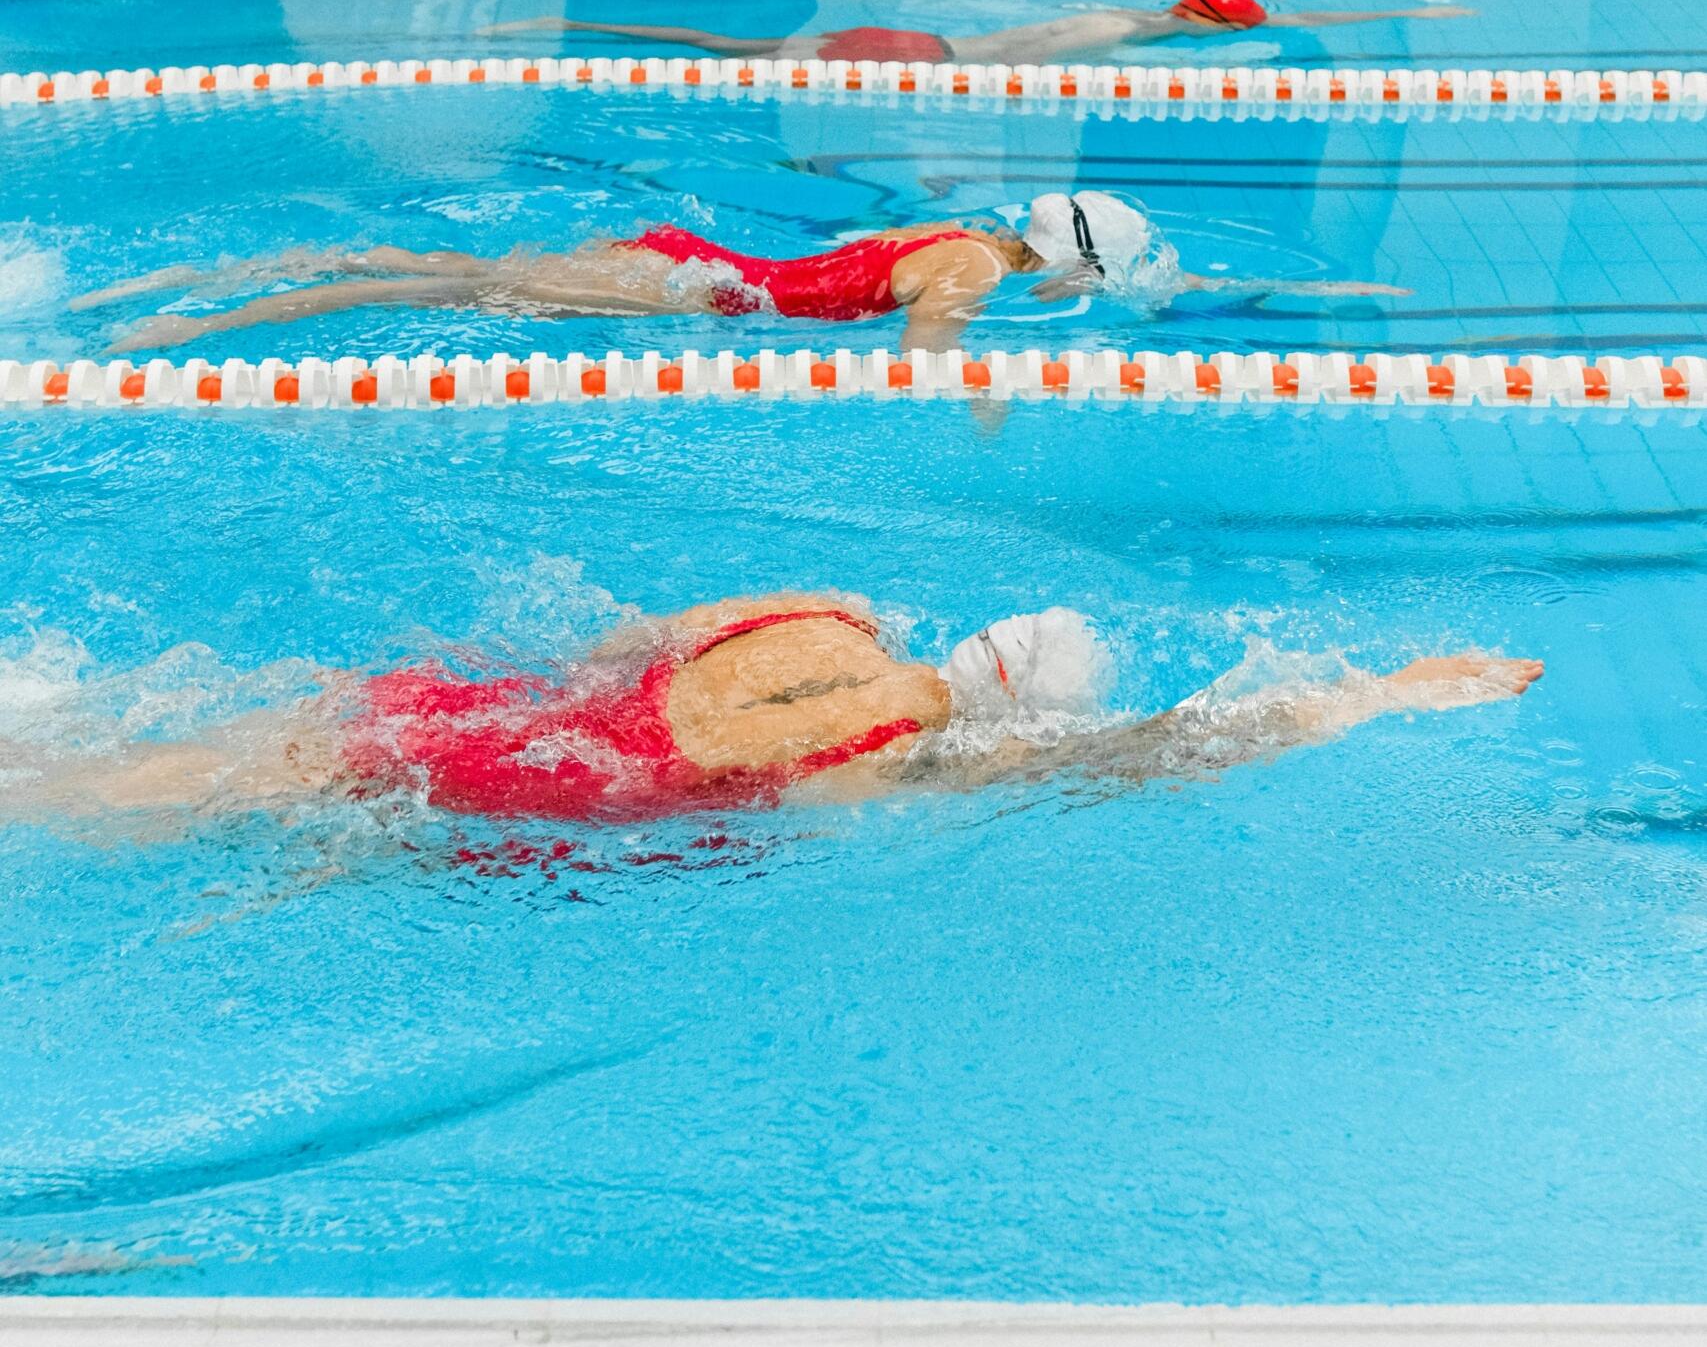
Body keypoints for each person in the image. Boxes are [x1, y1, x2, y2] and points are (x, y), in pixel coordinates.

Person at [0, 593, 1542, 834]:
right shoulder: (908, 760)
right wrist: (1383, 695)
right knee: (140, 806)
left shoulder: (827, 613)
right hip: (522, 802)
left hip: (480, 709)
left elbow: (615, 645)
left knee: (204, 747)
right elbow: (1174, 750)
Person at [79, 190, 1408, 356]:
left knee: (402, 263)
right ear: (1061, 270)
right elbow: (929, 346)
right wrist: (993, 405)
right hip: (682, 293)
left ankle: (177, 280)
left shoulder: (952, 228)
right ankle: (155, 343)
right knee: (400, 293)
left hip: (685, 261)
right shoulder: (973, 272)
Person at [476, 0, 1468, 67]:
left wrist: (1404, 6)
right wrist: (1400, 9)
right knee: (721, 52)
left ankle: (556, 26)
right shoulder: (1138, 32)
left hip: (918, 48)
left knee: (718, 49)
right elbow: (1279, 20)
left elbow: (1269, 16)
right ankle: (552, 26)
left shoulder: (1119, 15)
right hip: (919, 60)